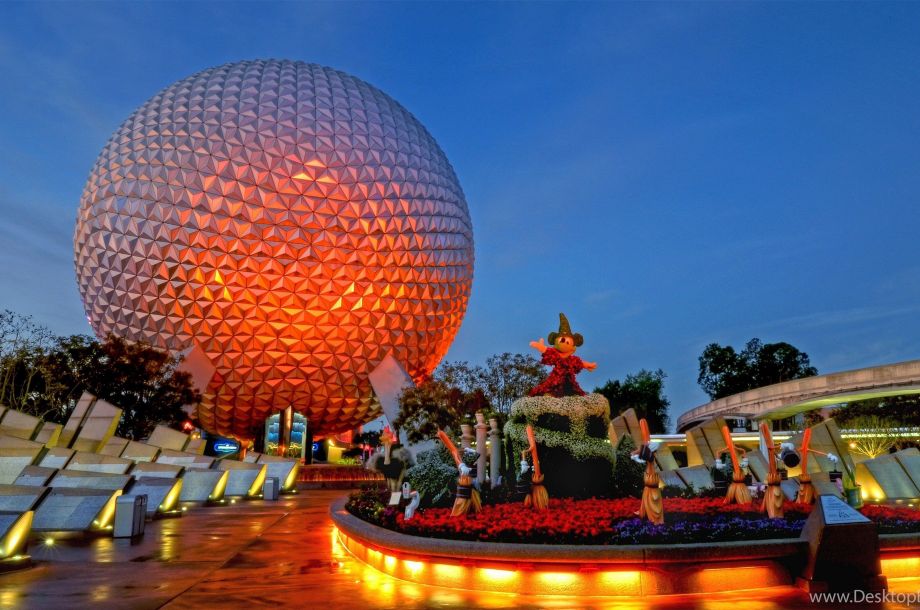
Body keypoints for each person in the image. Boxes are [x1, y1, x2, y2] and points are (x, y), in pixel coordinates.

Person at [528, 313, 597, 397]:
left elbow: (579, 362)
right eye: (562, 340)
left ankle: (573, 399)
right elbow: (549, 352)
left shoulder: (571, 359)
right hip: (556, 380)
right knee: (550, 388)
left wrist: (588, 365)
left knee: (574, 392)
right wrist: (540, 347)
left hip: (569, 382)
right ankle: (549, 396)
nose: (564, 343)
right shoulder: (556, 356)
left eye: (567, 342)